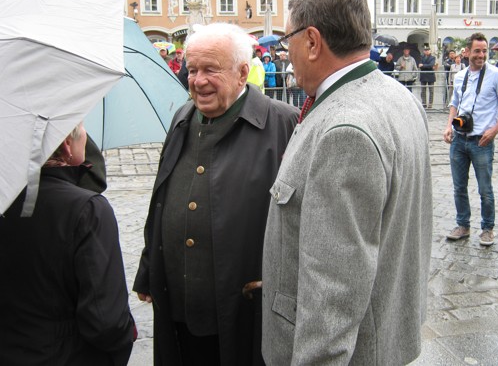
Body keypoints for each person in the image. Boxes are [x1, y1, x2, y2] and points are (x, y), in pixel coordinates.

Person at [262, 0, 433, 365]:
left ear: (311, 40)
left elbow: (333, 292)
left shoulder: (344, 130)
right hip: (386, 333)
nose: (287, 52)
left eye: (289, 38)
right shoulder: (398, 97)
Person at [133, 22, 299, 366]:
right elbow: (162, 195)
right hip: (180, 300)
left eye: (210, 69)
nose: (197, 80)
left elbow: (305, 216)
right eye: (191, 70)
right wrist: (149, 267)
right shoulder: (182, 115)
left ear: (242, 73)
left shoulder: (283, 123)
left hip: (245, 305)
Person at [0, 123, 136, 366]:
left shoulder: (5, 200)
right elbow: (106, 322)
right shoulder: (88, 210)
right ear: (66, 144)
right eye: (83, 127)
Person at [444, 32, 498, 246]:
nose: (481, 55)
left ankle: (487, 228)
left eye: (484, 51)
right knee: (459, 187)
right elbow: (454, 103)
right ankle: (463, 225)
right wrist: (449, 126)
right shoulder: (460, 76)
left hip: (482, 142)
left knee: (485, 189)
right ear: (467, 52)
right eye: (477, 51)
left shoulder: (496, 75)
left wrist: (494, 130)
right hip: (459, 139)